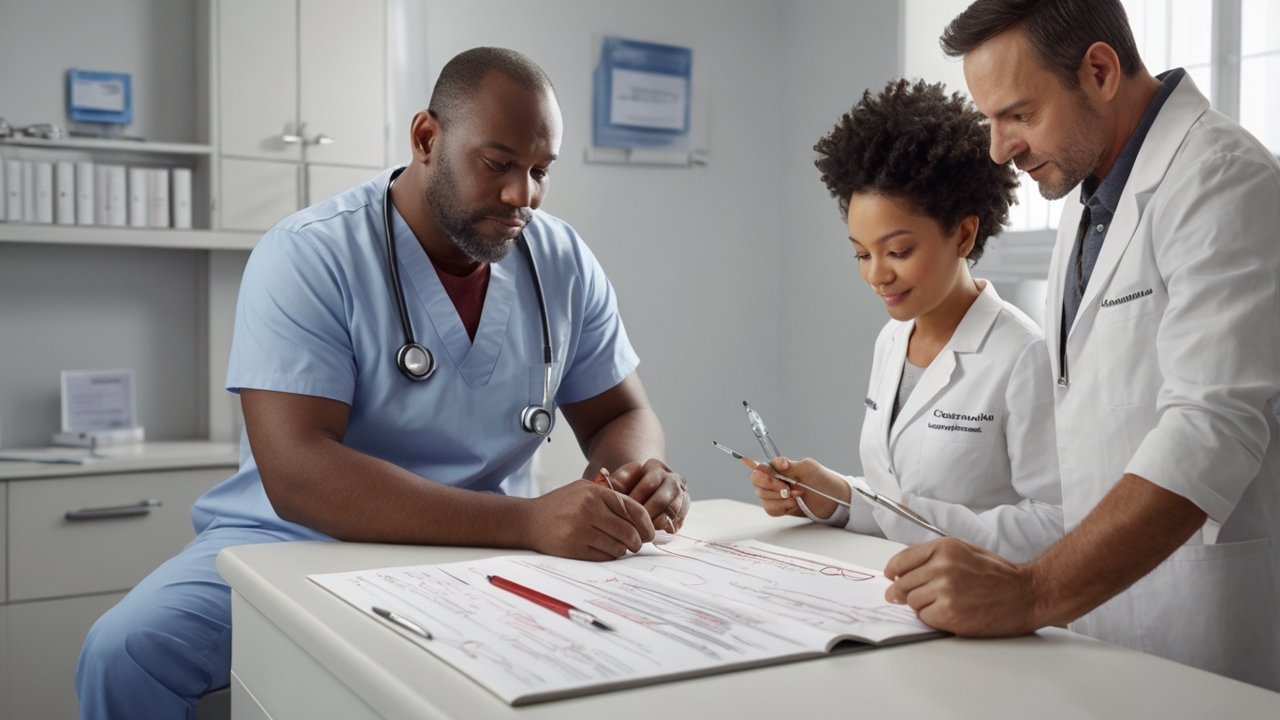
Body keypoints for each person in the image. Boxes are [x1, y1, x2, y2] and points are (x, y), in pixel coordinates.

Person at [75, 47, 690, 718]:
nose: (523, 196)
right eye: (499, 164)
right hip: (300, 541)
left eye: (540, 171)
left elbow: (619, 415)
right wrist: (529, 521)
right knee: (125, 653)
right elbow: (298, 472)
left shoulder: (563, 260)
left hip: (492, 549)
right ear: (427, 138)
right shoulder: (310, 254)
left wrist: (626, 484)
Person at [882, 0, 1280, 691]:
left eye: (1018, 115)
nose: (998, 148)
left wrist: (1034, 593)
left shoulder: (1223, 178)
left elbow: (1210, 429)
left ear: (1098, 70)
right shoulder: (1090, 197)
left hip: (1205, 632)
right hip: (1104, 622)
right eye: (990, 120)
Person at [748, 79, 1062, 563]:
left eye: (898, 251)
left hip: (982, 609)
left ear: (962, 235)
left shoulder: (1023, 355)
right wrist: (835, 495)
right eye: (861, 254)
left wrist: (906, 517)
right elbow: (892, 496)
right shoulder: (894, 339)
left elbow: (1054, 525)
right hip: (888, 593)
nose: (877, 274)